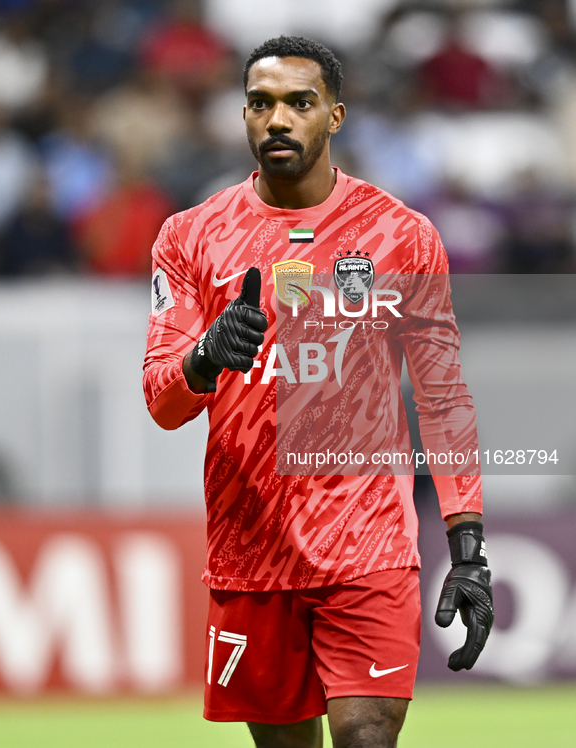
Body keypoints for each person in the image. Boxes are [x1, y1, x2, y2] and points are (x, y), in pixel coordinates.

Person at [143, 36, 494, 748]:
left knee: (367, 735)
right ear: (242, 114)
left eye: (298, 103)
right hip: (252, 552)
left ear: (333, 115)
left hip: (368, 543)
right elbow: (162, 401)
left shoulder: (400, 236)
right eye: (260, 103)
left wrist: (467, 542)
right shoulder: (189, 238)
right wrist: (205, 358)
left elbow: (441, 395)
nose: (277, 119)